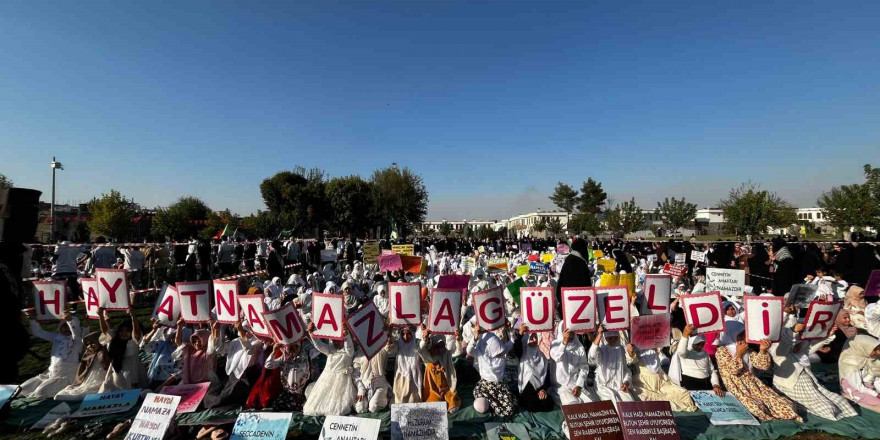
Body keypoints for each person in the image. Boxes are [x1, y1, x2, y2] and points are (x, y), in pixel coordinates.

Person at [753, 326, 857, 420]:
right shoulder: (778, 351)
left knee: (841, 401)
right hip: (790, 385)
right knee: (828, 408)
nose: (798, 344)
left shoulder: (799, 349)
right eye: (795, 340)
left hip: (809, 383)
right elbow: (785, 346)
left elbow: (811, 347)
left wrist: (828, 333)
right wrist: (793, 332)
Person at [715, 321, 802, 422]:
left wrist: (763, 350)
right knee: (757, 407)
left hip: (754, 384)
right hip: (738, 387)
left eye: (745, 334)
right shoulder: (721, 351)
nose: (744, 338)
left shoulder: (747, 349)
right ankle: (769, 415)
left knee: (786, 405)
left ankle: (779, 413)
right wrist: (738, 354)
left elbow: (763, 366)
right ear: (732, 334)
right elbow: (733, 371)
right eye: (741, 335)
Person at [20, 312, 82, 398]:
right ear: (60, 327)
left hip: (64, 376)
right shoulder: (56, 337)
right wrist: (33, 319)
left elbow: (76, 332)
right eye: (64, 326)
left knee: (41, 393)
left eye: (68, 327)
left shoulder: (77, 340)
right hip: (50, 373)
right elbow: (38, 332)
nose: (67, 329)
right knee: (23, 389)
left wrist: (71, 320)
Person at [303, 322, 357, 416]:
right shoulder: (329, 350)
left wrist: (346, 335)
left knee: (337, 409)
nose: (336, 342)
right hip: (327, 379)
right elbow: (318, 345)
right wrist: (312, 333)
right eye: (334, 340)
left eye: (339, 340)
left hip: (341, 381)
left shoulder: (349, 352)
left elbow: (349, 345)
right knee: (313, 407)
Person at [627, 341, 697, 411]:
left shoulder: (656, 344)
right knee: (644, 396)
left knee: (684, 394)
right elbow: (630, 360)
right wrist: (630, 352)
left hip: (661, 382)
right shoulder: (634, 344)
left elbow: (664, 341)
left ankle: (667, 403)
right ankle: (665, 404)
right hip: (644, 384)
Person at [468, 323, 517, 417]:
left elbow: (511, 342)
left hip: (500, 386)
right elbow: (469, 351)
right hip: (485, 386)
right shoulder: (482, 354)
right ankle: (490, 403)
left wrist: (510, 330)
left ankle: (492, 403)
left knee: (509, 410)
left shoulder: (502, 352)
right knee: (481, 407)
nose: (500, 353)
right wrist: (475, 337)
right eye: (497, 352)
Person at [98, 308, 149, 392]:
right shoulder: (114, 339)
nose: (124, 333)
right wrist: (100, 316)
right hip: (115, 374)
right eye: (121, 330)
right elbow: (105, 331)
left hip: (132, 374)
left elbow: (136, 332)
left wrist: (133, 317)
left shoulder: (133, 342)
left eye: (127, 331)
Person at [55, 331, 110, 400]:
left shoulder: (106, 352)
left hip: (100, 379)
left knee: (90, 391)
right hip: (89, 380)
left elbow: (108, 334)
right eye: (88, 344)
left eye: (92, 343)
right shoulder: (89, 353)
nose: (89, 346)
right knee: (63, 394)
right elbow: (84, 367)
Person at [668, 325, 723, 395]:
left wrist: (716, 384)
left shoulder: (705, 353)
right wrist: (685, 334)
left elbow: (712, 371)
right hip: (690, 383)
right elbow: (681, 352)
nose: (700, 346)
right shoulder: (686, 352)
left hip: (706, 384)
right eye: (697, 344)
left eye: (702, 344)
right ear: (691, 342)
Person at [550, 323, 594, 406]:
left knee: (590, 404)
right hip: (561, 386)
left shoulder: (579, 347)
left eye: (572, 331)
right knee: (573, 405)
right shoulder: (555, 343)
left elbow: (584, 368)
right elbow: (557, 357)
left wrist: (579, 385)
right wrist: (564, 342)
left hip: (575, 384)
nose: (570, 333)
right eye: (567, 330)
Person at [419, 327, 461, 413]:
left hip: (446, 388)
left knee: (453, 409)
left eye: (442, 346)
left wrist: (458, 340)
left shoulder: (446, 353)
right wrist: (425, 338)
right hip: (433, 390)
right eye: (437, 346)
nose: (440, 349)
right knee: (434, 409)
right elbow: (421, 349)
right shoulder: (428, 357)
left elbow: (458, 352)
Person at [588, 327, 634, 404]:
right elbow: (592, 358)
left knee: (630, 406)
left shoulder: (620, 349)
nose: (612, 340)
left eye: (615, 337)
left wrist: (626, 382)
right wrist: (599, 335)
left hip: (620, 386)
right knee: (615, 405)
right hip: (604, 387)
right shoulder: (601, 349)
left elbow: (626, 370)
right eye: (609, 338)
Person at [517, 325, 555, 412]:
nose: (534, 341)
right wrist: (520, 334)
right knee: (531, 404)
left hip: (539, 386)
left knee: (546, 403)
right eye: (531, 338)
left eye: (535, 338)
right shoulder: (523, 353)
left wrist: (543, 389)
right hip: (526, 385)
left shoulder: (542, 356)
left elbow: (545, 375)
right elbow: (517, 346)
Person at [838, 335, 880, 413]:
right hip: (856, 389)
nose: (878, 352)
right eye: (875, 350)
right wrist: (875, 394)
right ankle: (858, 401)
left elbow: (876, 379)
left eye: (879, 349)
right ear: (864, 348)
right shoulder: (851, 363)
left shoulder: (870, 359)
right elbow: (858, 386)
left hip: (869, 387)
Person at [172, 319, 218, 385]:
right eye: (194, 341)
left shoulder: (209, 350)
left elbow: (214, 340)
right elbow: (178, 342)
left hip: (205, 384)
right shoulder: (189, 349)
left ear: (206, 340)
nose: (197, 343)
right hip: (188, 383)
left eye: (200, 341)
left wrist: (213, 327)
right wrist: (179, 326)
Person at [389, 327, 424, 404]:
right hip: (401, 378)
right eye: (403, 334)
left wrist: (425, 336)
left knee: (413, 402)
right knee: (400, 402)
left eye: (408, 334)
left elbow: (423, 345)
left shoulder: (417, 343)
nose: (406, 337)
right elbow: (389, 349)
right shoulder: (398, 344)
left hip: (414, 380)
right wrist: (389, 335)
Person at [354, 344, 391, 414]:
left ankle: (386, 397)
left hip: (380, 385)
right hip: (364, 386)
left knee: (374, 407)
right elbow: (355, 375)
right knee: (360, 408)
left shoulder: (381, 350)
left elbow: (388, 347)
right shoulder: (359, 353)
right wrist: (360, 389)